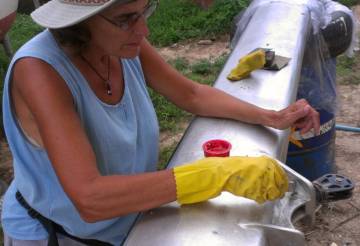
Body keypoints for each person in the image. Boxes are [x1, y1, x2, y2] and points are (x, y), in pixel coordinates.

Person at [1, 0, 320, 245]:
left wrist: (272, 116)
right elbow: (90, 198)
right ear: (79, 23)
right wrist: (214, 175)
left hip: (126, 221)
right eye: (127, 18)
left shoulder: (120, 41)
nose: (143, 31)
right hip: (57, 234)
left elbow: (191, 94)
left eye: (145, 10)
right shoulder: (39, 72)